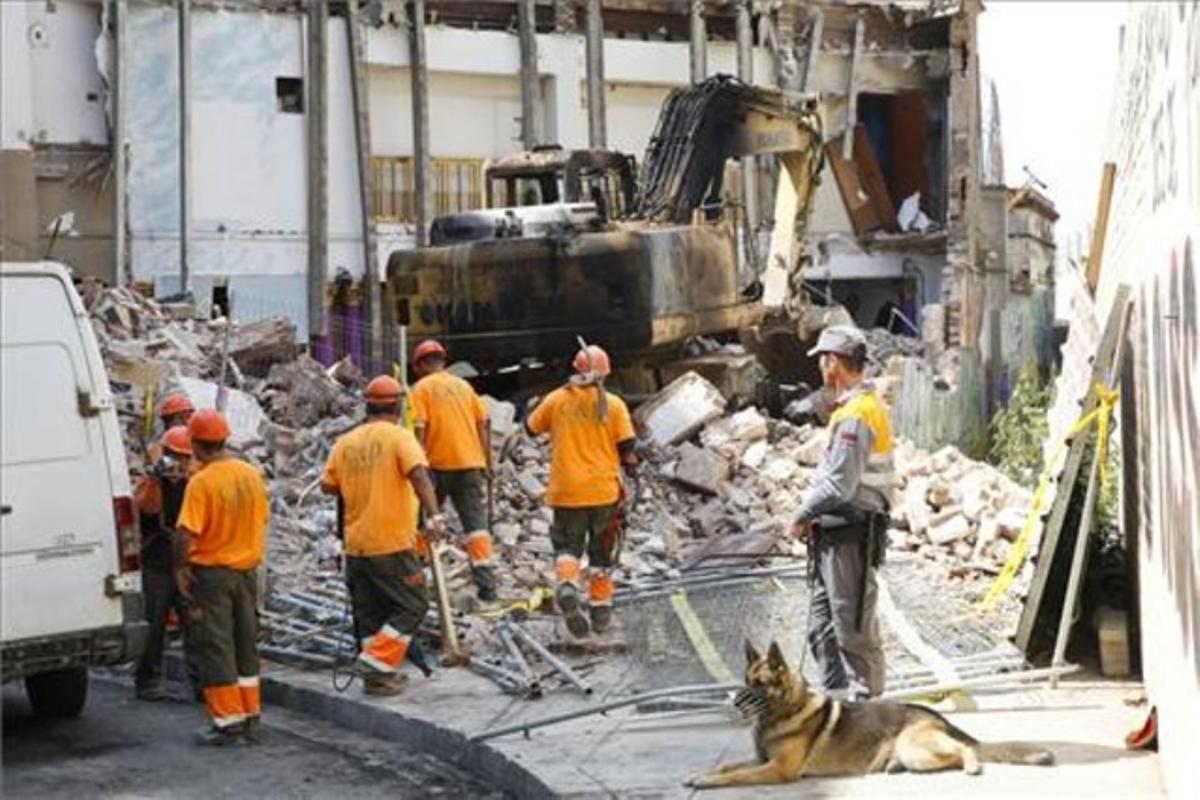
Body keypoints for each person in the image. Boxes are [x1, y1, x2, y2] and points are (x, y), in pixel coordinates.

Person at [321, 375, 448, 697]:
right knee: (413, 605)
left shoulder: (346, 442)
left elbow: (328, 485)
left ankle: (378, 681)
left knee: (370, 613)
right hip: (390, 543)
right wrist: (434, 516)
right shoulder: (399, 438)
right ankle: (376, 662)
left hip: (356, 545)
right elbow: (419, 474)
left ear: (368, 405)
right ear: (398, 405)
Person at [792, 325, 893, 699]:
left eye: (822, 359)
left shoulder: (857, 414)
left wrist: (801, 514)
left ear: (833, 362)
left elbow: (840, 486)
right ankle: (836, 702)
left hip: (851, 531)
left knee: (851, 627)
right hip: (835, 531)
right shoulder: (853, 409)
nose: (820, 366)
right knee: (823, 626)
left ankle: (870, 706)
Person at [525, 345, 637, 637]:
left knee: (567, 547)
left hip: (567, 490)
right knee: (601, 553)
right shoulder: (613, 405)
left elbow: (530, 428)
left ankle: (567, 587)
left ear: (576, 369)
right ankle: (601, 610)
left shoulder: (556, 400)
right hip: (604, 492)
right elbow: (628, 449)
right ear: (605, 374)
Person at [175, 409, 270, 745]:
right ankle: (250, 716)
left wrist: (181, 569)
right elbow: (263, 518)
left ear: (197, 445)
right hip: (246, 573)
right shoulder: (250, 474)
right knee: (246, 644)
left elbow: (186, 533)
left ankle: (228, 723)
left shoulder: (201, 482)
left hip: (213, 575)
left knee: (216, 646)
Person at [409, 339, 497, 603]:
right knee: (476, 527)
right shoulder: (464, 387)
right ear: (442, 362)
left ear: (421, 365)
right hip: (470, 464)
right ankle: (487, 587)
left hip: (436, 466)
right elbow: (484, 424)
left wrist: (416, 464)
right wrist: (487, 461)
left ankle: (416, 577)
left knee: (426, 521)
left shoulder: (421, 389)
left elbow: (420, 428)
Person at [133, 425, 200, 701]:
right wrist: (156, 481)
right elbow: (146, 508)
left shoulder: (196, 482)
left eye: (185, 457)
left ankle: (204, 684)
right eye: (176, 456)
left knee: (196, 627)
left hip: (188, 562)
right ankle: (147, 680)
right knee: (154, 625)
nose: (180, 464)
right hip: (158, 563)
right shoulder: (151, 483)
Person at [146, 392, 195, 462]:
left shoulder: (196, 443)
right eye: (187, 416)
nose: (188, 421)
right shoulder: (160, 446)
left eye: (189, 416)